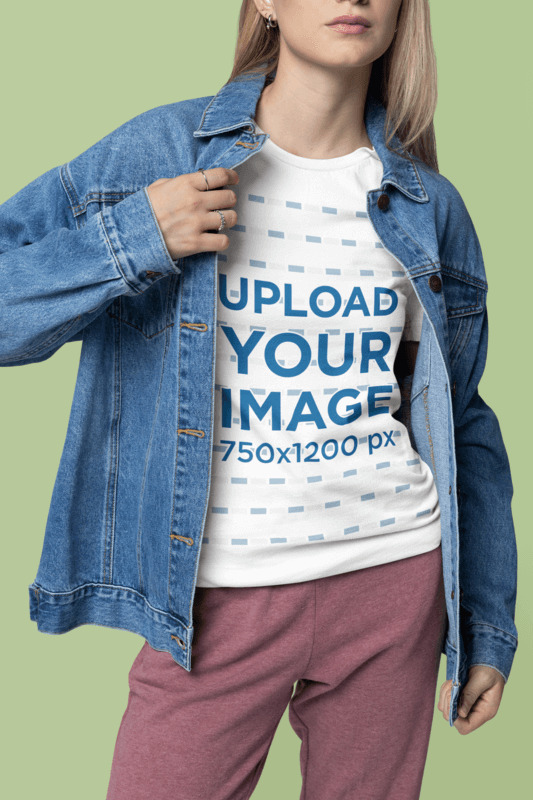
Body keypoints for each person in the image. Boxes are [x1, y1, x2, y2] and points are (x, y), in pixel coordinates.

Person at [0, 1, 518, 798]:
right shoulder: (159, 155)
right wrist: (139, 237)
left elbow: (463, 418)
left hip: (392, 584)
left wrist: (484, 622)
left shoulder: (426, 205)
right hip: (214, 600)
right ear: (265, 4)